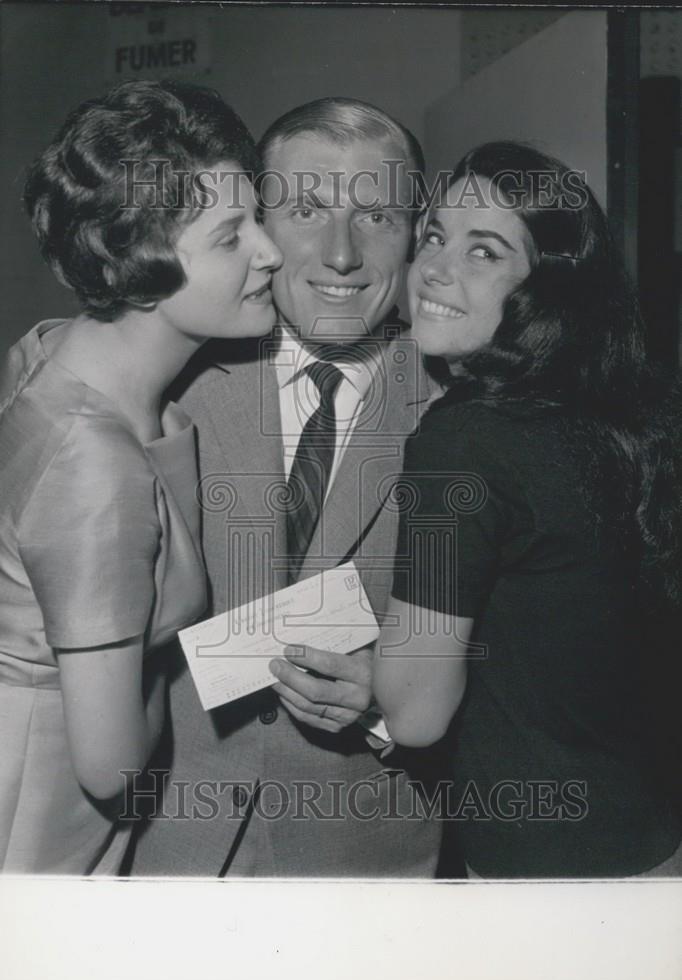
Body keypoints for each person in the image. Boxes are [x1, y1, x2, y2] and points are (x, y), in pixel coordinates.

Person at [128, 98, 447, 878]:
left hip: (360, 869)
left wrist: (394, 702)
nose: (341, 255)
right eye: (307, 211)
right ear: (258, 225)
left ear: (416, 235)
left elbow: (540, 692)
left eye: (378, 218)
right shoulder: (166, 378)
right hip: (166, 850)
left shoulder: (468, 418)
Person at [372, 140, 682, 878]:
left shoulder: (462, 439)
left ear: (547, 288)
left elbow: (415, 717)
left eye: (485, 252)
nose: (435, 269)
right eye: (435, 237)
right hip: (648, 842)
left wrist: (385, 675)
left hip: (542, 871)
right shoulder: (622, 417)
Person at [0, 79, 281, 874]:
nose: (268, 251)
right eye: (230, 237)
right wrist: (167, 674)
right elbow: (112, 768)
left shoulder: (50, 350)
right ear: (139, 260)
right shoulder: (94, 462)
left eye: (257, 218)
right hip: (37, 815)